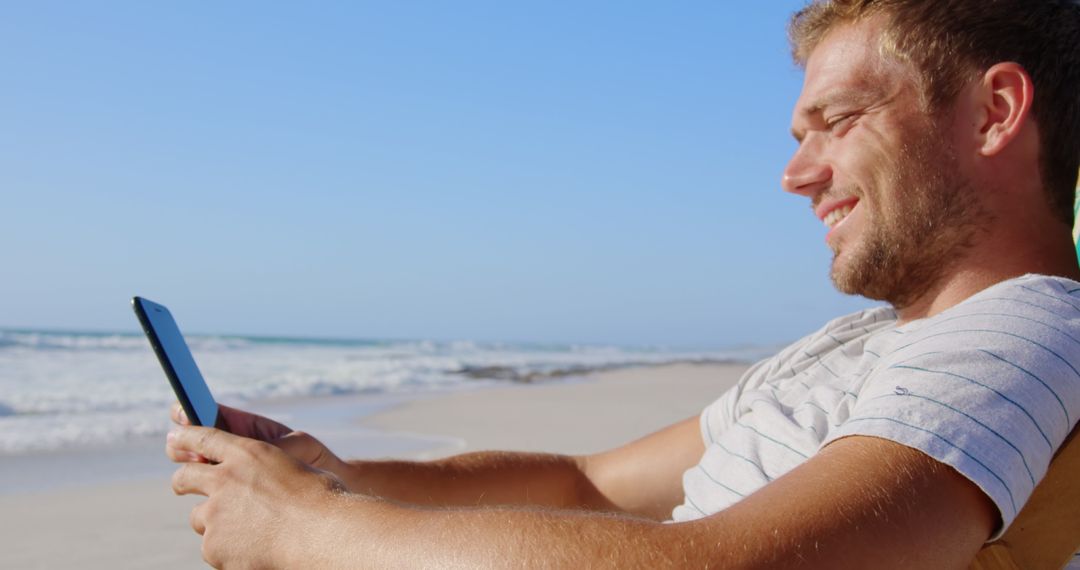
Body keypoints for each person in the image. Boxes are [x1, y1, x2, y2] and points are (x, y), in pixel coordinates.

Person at [166, 1, 1080, 567]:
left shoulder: (1023, 335)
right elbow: (588, 485)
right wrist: (339, 477)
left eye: (835, 121)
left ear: (995, 112)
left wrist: (308, 531)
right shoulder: (867, 345)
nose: (795, 176)